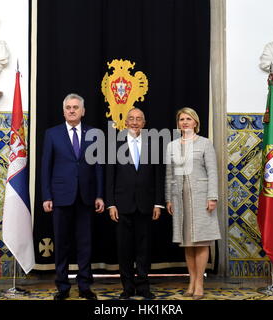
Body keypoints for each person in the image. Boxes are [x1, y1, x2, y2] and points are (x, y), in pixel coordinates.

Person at [41, 93, 104, 300]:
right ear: (63, 110)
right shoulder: (52, 134)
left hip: (86, 197)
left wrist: (99, 195)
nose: (72, 110)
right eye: (68, 107)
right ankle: (62, 286)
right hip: (60, 197)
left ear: (83, 111)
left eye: (76, 107)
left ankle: (85, 285)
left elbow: (98, 168)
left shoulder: (94, 133)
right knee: (62, 243)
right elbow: (46, 167)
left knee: (85, 243)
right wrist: (46, 196)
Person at [105, 108, 164, 300]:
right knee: (124, 250)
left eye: (139, 119)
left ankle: (144, 287)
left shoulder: (153, 144)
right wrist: (111, 204)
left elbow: (158, 176)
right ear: (126, 122)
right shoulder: (115, 144)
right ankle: (127, 288)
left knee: (144, 249)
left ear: (144, 123)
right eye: (131, 119)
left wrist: (158, 203)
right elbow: (109, 177)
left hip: (146, 205)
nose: (135, 122)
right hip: (122, 206)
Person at [165, 107, 221, 300]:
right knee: (188, 243)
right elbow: (170, 175)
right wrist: (169, 198)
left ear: (196, 122)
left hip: (201, 197)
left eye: (188, 119)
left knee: (202, 240)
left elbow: (212, 172)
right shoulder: (172, 146)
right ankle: (191, 280)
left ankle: (199, 284)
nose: (185, 122)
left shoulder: (205, 144)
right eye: (181, 119)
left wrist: (212, 196)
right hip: (180, 200)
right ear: (178, 123)